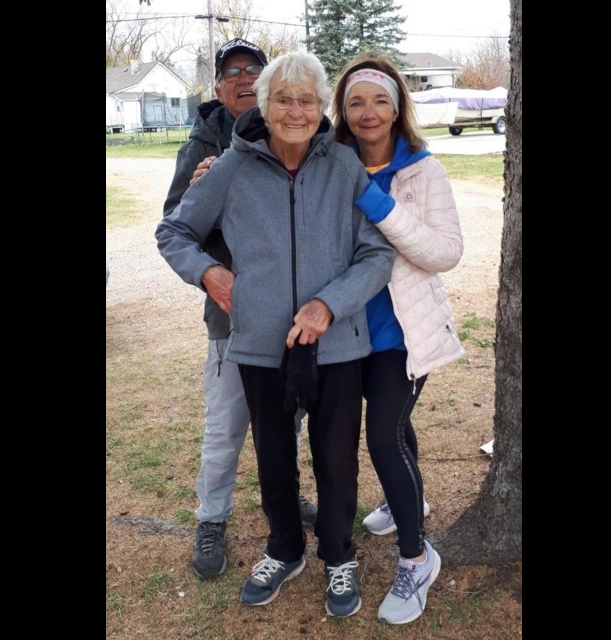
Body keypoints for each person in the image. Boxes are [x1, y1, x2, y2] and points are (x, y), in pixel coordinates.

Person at [156, 51, 395, 618]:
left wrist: (327, 305)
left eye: (306, 100)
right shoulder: (231, 168)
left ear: (320, 108)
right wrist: (208, 271)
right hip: (261, 344)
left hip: (336, 343)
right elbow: (175, 231)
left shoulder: (343, 167)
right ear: (265, 105)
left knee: (336, 457)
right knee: (273, 458)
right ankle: (285, 548)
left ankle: (338, 555)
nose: (294, 110)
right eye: (282, 99)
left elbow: (377, 252)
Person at [162, 38, 317, 583]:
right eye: (233, 71)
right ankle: (212, 519)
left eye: (255, 68)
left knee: (288, 419)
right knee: (227, 425)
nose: (245, 77)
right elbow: (176, 226)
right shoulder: (202, 148)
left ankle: (288, 496)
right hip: (233, 318)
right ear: (219, 86)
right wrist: (210, 271)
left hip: (294, 319)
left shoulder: (293, 134)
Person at [331, 52, 465, 625]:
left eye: (380, 100)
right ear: (341, 109)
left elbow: (446, 253)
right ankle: (401, 495)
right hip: (347, 333)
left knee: (383, 435)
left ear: (397, 107)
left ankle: (417, 556)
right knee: (396, 428)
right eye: (356, 101)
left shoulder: (423, 170)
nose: (368, 113)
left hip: (403, 336)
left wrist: (379, 202)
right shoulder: (329, 163)